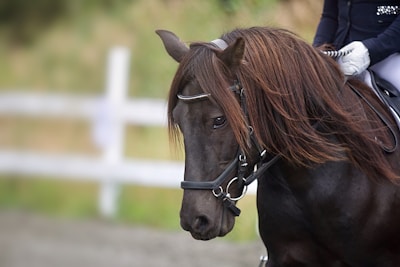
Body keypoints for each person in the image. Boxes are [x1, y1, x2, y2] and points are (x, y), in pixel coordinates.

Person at [313, 0, 400, 91]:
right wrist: (318, 51)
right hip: (340, 55)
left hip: (390, 56)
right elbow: (330, 16)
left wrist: (371, 50)